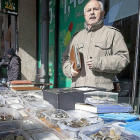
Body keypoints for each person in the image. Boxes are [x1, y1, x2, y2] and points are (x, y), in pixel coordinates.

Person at [62, 0, 130, 91]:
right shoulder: (76, 37)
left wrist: (98, 63)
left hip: (101, 92)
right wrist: (70, 71)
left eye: (95, 9)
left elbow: (123, 58)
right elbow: (66, 59)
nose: (92, 12)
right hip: (77, 90)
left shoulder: (112, 34)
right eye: (89, 10)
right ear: (85, 15)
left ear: (102, 13)